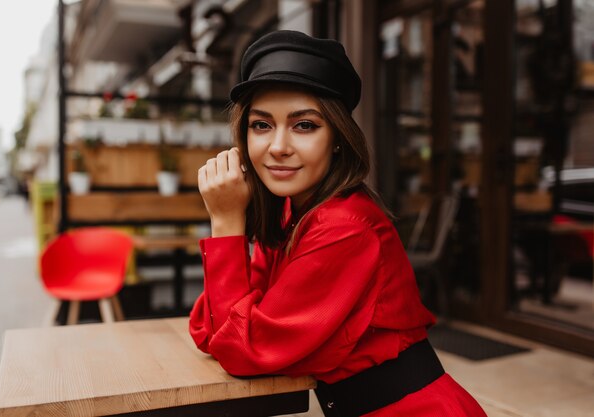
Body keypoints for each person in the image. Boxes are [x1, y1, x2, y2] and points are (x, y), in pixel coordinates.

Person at [189, 30, 487, 417]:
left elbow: (240, 350)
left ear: (337, 139)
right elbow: (213, 330)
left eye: (304, 125)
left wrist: (226, 221)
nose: (278, 146)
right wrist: (230, 226)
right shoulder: (289, 213)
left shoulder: (344, 227)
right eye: (261, 125)